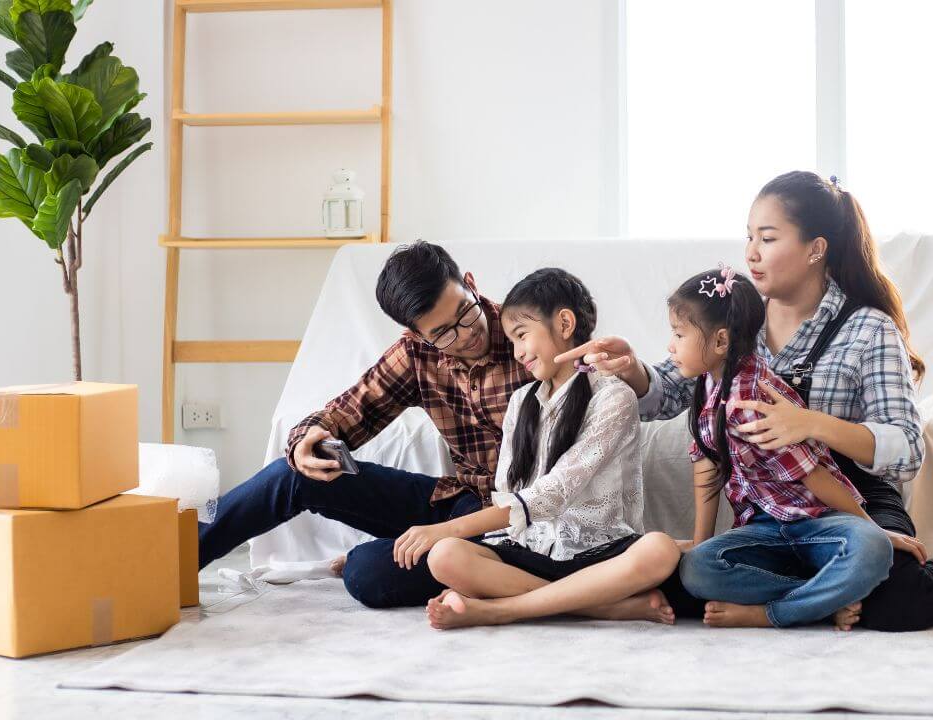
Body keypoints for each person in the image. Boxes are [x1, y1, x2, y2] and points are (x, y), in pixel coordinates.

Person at [559, 171, 933, 631]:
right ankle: (833, 593)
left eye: (769, 238)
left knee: (899, 600)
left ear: (815, 248)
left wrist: (810, 424)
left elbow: (906, 450)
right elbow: (670, 392)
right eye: (749, 237)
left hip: (850, 498)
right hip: (767, 511)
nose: (751, 253)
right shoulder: (738, 319)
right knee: (679, 578)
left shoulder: (867, 329)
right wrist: (630, 369)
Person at [197, 240, 533, 609]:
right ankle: (166, 567)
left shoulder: (529, 336)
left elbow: (588, 384)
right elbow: (348, 411)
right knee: (292, 475)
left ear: (471, 284)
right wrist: (307, 439)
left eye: (466, 313)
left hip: (517, 524)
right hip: (460, 501)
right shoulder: (417, 354)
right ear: (418, 334)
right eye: (443, 333)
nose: (466, 334)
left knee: (366, 572)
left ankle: (436, 562)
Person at [416, 268, 689, 630]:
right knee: (445, 557)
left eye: (521, 335)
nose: (516, 352)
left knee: (659, 549)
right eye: (511, 340)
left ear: (564, 323)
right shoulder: (520, 402)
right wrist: (449, 538)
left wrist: (448, 528)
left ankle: (501, 610)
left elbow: (551, 495)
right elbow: (508, 493)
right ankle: (601, 608)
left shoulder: (613, 396)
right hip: (532, 550)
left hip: (600, 555)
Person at [664, 265, 893, 629]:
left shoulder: (753, 397)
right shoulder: (707, 386)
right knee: (697, 569)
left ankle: (771, 613)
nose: (670, 346)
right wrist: (699, 542)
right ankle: (817, 598)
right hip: (765, 529)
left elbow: (813, 475)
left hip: (817, 522)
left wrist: (876, 531)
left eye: (678, 335)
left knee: (874, 551)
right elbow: (706, 465)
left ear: (721, 341)